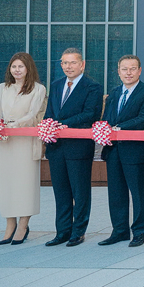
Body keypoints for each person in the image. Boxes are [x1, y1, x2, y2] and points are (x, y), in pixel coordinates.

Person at [43, 48, 102, 247]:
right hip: (56, 147)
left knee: (80, 192)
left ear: (82, 64)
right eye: (65, 63)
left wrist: (63, 125)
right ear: (61, 65)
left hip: (78, 147)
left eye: (73, 62)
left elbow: (90, 114)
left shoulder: (92, 87)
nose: (69, 66)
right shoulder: (56, 85)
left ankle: (78, 232)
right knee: (61, 193)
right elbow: (49, 113)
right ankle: (62, 232)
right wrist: (48, 126)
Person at [99, 54, 144, 247]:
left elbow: (143, 118)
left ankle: (139, 232)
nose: (128, 72)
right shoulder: (114, 93)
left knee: (138, 192)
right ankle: (119, 231)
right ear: (118, 72)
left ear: (139, 71)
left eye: (133, 68)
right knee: (116, 192)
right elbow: (107, 118)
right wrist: (105, 128)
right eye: (124, 69)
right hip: (113, 150)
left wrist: (118, 128)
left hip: (135, 150)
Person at [0, 52, 47, 245]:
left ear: (28, 68)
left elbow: (32, 114)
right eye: (14, 66)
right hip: (7, 141)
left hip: (25, 140)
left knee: (25, 183)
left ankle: (23, 224)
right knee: (7, 183)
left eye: (20, 66)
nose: (17, 70)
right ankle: (10, 224)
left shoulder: (38, 89)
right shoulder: (3, 87)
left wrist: (14, 125)